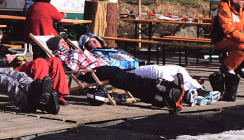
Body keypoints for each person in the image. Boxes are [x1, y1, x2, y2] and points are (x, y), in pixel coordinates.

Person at [49, 35, 192, 110]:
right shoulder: (61, 55)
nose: (66, 43)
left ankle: (160, 98)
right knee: (127, 78)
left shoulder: (70, 51)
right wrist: (74, 54)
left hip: (102, 68)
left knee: (128, 81)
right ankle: (163, 87)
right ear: (59, 45)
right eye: (63, 42)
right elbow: (73, 67)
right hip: (93, 72)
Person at [0, 24, 71, 101]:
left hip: (18, 67)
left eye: (0, 38)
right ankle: (38, 93)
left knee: (54, 60)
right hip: (9, 73)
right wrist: (5, 60)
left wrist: (18, 60)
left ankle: (58, 94)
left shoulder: (0, 47)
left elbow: (14, 56)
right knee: (40, 62)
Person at [212, 0, 244, 76]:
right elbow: (228, 29)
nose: (243, 1)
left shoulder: (240, 10)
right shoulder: (224, 8)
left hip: (233, 38)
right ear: (234, 0)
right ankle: (227, 67)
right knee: (243, 47)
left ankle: (239, 67)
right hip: (221, 39)